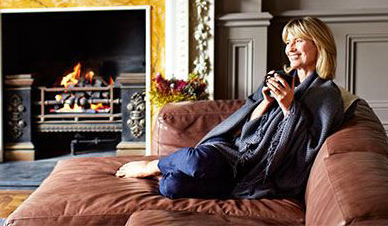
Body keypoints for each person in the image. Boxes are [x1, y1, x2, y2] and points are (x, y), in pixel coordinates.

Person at [115, 17, 344, 200]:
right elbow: (247, 123)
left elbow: (308, 150)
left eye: (298, 41)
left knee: (173, 186)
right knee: (196, 161)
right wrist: (265, 102)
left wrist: (289, 108)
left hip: (253, 173)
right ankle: (152, 165)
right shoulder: (279, 78)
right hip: (232, 153)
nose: (290, 48)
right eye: (287, 42)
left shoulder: (327, 95)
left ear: (318, 43)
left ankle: (170, 167)